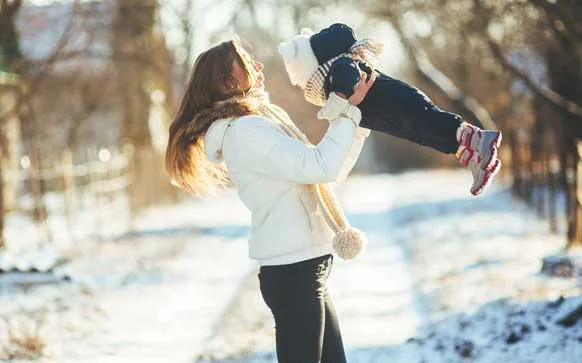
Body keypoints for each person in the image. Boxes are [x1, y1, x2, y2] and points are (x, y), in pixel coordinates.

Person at [165, 38, 376, 362]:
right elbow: (320, 164)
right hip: (293, 272)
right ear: (228, 81)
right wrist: (347, 111)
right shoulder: (245, 131)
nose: (259, 65)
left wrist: (356, 122)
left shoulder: (262, 121)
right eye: (248, 62)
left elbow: (324, 171)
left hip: (306, 265)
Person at [279, 23, 503, 196]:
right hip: (395, 119)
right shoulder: (333, 72)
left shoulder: (340, 66)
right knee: (426, 135)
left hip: (401, 104)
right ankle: (476, 159)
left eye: (301, 83)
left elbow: (346, 83)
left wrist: (333, 107)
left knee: (430, 123)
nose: (304, 89)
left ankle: (482, 140)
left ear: (312, 67)